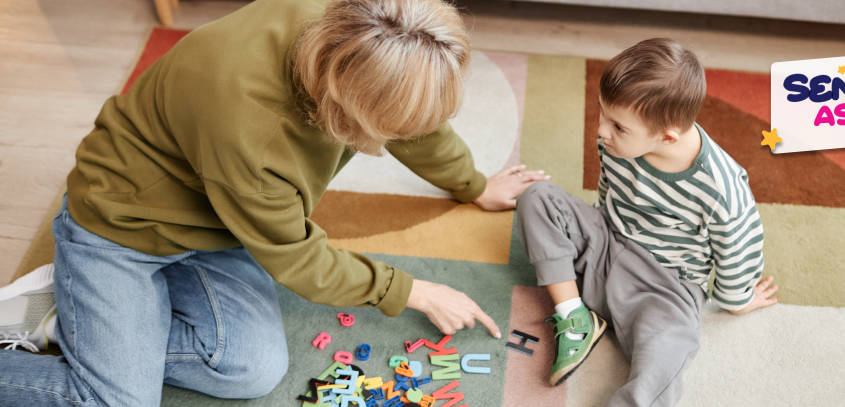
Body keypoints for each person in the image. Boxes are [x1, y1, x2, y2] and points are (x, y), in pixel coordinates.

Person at [0, 0, 547, 405]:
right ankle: (90, 315)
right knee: (114, 400)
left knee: (250, 370)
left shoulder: (357, 27)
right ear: (345, 104)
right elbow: (299, 260)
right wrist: (413, 290)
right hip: (124, 227)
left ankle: (82, 321)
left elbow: (412, 120)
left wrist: (473, 184)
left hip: (221, 225)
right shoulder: (253, 134)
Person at [515, 37, 778, 406]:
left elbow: (738, 245)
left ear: (667, 137)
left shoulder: (721, 186)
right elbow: (607, 188)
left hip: (665, 286)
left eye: (618, 126)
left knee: (669, 351)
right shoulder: (618, 140)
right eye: (603, 113)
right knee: (536, 197)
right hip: (606, 241)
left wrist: (738, 299)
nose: (603, 130)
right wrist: (589, 230)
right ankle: (574, 317)